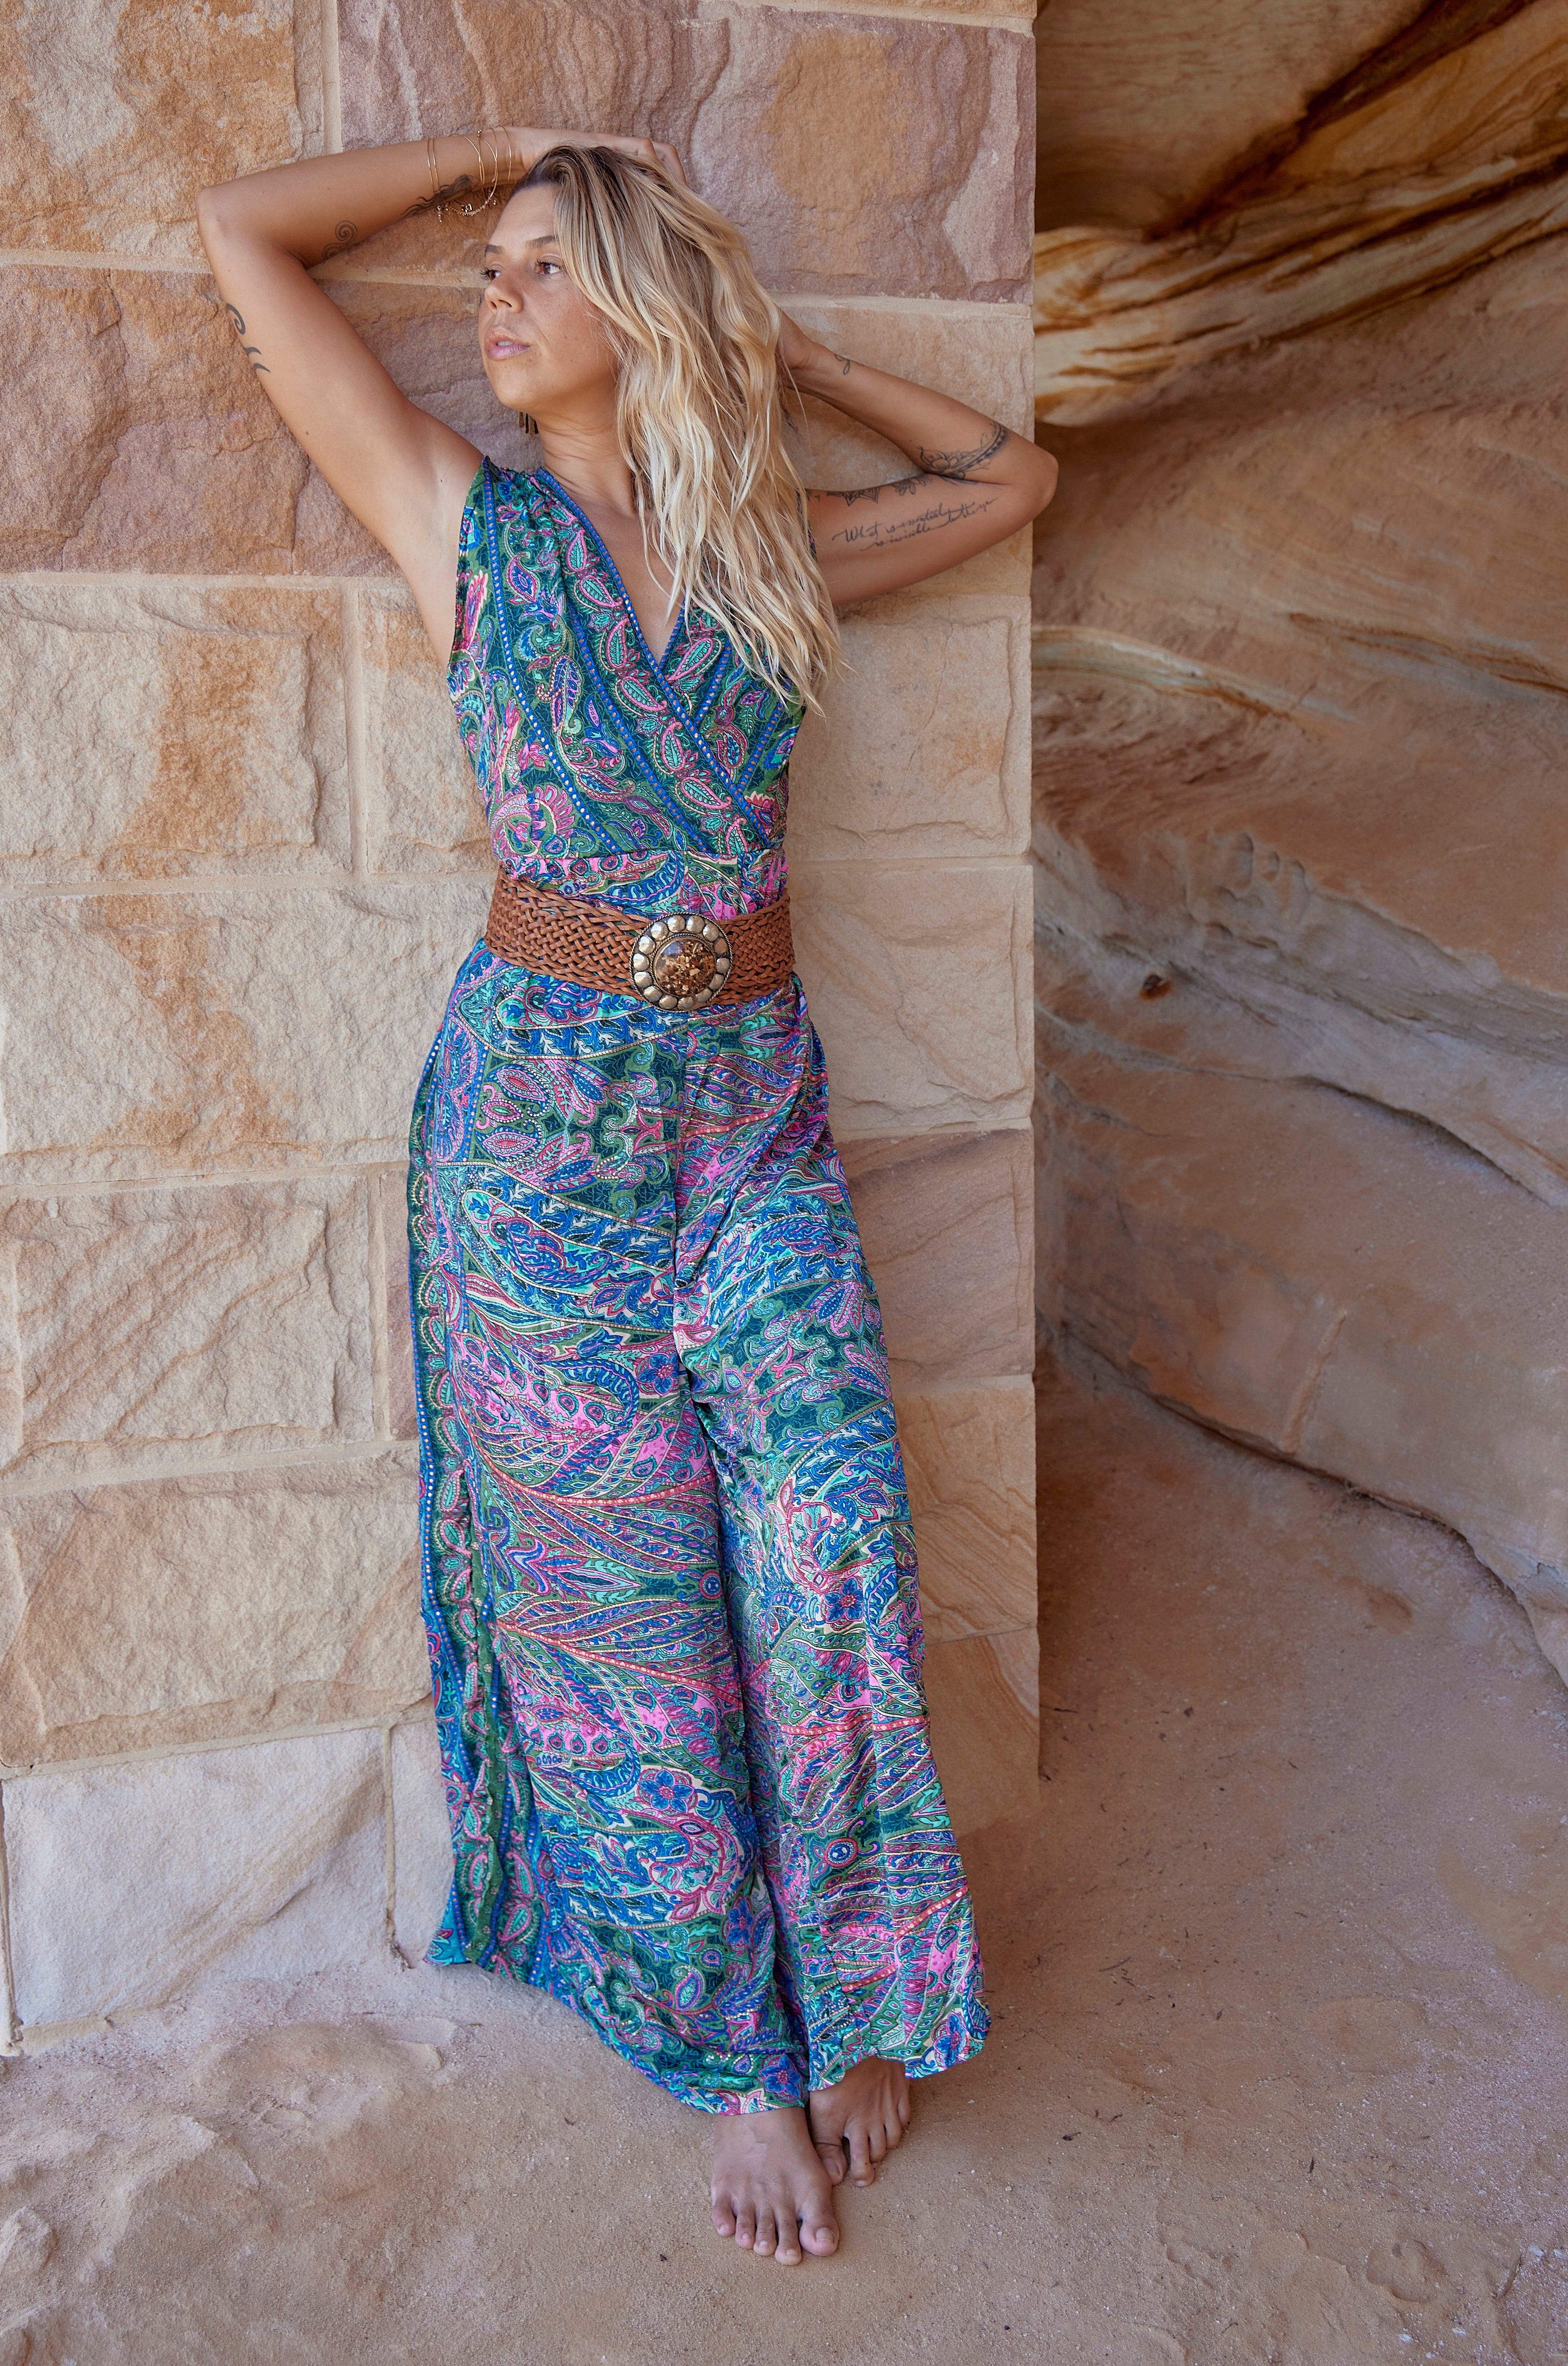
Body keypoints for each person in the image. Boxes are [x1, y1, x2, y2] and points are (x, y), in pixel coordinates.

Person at [197, 125, 1058, 2268]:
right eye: (487, 270)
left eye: (539, 267)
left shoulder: (766, 556)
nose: (491, 301)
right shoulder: (465, 524)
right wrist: (504, 155)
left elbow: (1014, 476)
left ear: (647, 309)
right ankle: (738, 2058)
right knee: (626, 1619)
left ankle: (864, 1989)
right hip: (539, 1141)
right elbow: (240, 236)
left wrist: (793, 360)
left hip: (752, 1125)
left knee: (835, 1532)